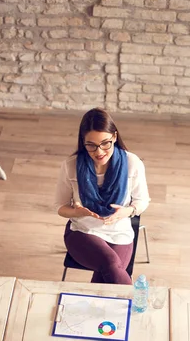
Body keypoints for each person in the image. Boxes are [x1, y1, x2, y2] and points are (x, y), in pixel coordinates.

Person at [55, 107, 150, 285]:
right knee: (112, 265)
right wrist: (78, 212)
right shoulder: (70, 166)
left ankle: (94, 309)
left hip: (119, 233)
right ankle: (136, 304)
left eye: (105, 143)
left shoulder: (132, 163)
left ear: (114, 136)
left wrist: (127, 212)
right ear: (83, 142)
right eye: (91, 145)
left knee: (109, 272)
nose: (99, 152)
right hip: (83, 233)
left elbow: (142, 201)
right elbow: (59, 207)